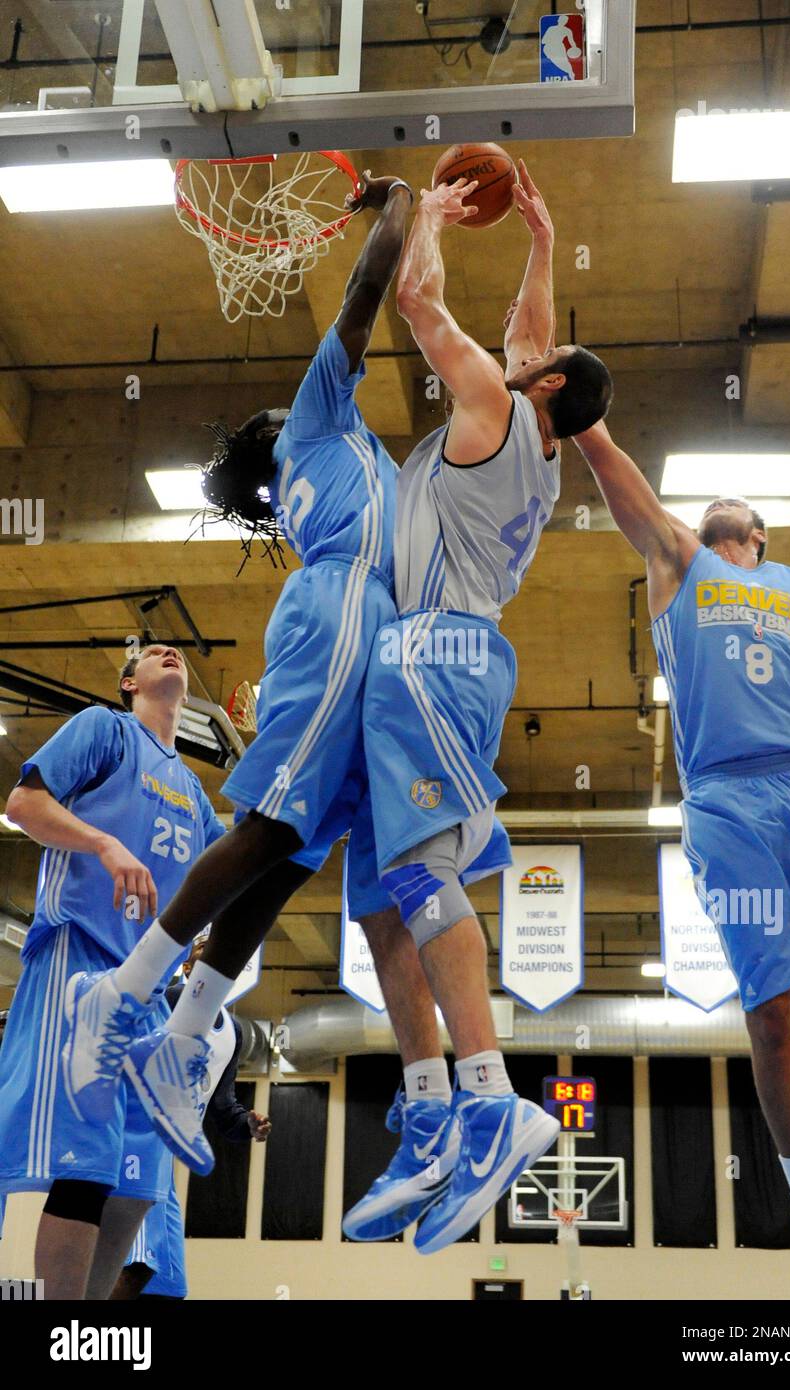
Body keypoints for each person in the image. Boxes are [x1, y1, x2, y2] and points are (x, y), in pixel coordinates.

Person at [62, 172, 427, 1180]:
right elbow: (365, 294)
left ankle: (186, 1034)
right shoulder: (318, 417)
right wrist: (398, 206)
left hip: (371, 625)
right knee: (268, 825)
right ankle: (122, 996)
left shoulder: (348, 453)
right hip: (344, 609)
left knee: (295, 850)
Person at [345, 163, 612, 1254]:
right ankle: (427, 1112)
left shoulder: (501, 410)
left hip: (431, 656)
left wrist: (430, 223)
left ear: (539, 388)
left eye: (531, 358)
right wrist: (542, 247)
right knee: (376, 898)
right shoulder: (539, 448)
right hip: (429, 658)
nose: (520, 347)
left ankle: (494, 1094)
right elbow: (531, 336)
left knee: (421, 875)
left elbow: (418, 306)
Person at [573, 419, 790, 1299]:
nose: (716, 511)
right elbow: (622, 484)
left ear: (762, 533)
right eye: (707, 510)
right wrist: (585, 417)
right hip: (726, 806)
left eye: (729, 511)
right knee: (771, 1016)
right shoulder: (676, 561)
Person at [0, 645, 224, 1299]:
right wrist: (103, 841)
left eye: (173, 650)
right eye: (147, 654)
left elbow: (226, 885)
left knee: (136, 1184)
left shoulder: (193, 796)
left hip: (148, 994)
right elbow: (22, 805)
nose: (164, 651)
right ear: (130, 684)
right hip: (80, 965)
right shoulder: (105, 729)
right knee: (82, 1163)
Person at [113, 937, 270, 1300]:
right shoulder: (165, 1002)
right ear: (186, 967)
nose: (217, 956)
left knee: (167, 1288)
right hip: (132, 1141)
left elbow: (222, 1109)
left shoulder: (233, 1033)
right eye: (203, 952)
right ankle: (84, 1345)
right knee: (135, 1266)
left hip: (163, 1162)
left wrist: (247, 1122)